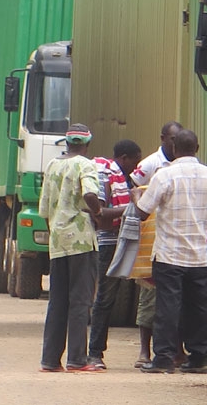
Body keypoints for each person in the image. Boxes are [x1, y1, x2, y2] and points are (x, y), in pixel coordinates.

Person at [135, 128, 207, 374]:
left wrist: (135, 197)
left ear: (174, 149)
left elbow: (143, 212)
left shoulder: (165, 176)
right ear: (197, 148)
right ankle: (200, 358)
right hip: (198, 255)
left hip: (169, 254)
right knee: (198, 308)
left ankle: (164, 358)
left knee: (167, 307)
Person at [39, 124, 104, 373]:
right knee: (80, 300)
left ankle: (50, 359)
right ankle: (77, 358)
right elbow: (90, 195)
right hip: (80, 240)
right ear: (87, 144)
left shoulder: (52, 165)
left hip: (58, 240)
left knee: (57, 301)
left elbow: (45, 207)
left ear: (66, 143)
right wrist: (98, 212)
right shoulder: (86, 165)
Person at [86, 139, 142, 370]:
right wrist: (133, 208)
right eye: (134, 162)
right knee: (105, 299)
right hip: (108, 243)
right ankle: (94, 353)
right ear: (124, 158)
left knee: (110, 298)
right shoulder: (105, 175)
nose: (135, 167)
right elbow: (100, 215)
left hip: (122, 239)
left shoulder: (122, 178)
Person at [130, 120, 182, 368]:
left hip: (175, 237)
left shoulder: (184, 163)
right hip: (152, 237)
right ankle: (144, 350)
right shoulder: (150, 164)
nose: (176, 144)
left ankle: (176, 350)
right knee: (149, 296)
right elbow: (134, 191)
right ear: (163, 139)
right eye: (173, 139)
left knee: (174, 299)